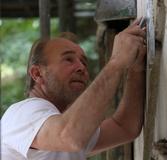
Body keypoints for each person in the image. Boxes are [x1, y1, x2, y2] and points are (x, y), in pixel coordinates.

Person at [1, 18, 146, 160]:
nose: (81, 68)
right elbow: (70, 137)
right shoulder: (24, 112)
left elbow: (124, 127)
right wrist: (117, 62)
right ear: (37, 74)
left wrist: (136, 67)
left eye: (83, 62)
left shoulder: (64, 125)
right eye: (68, 59)